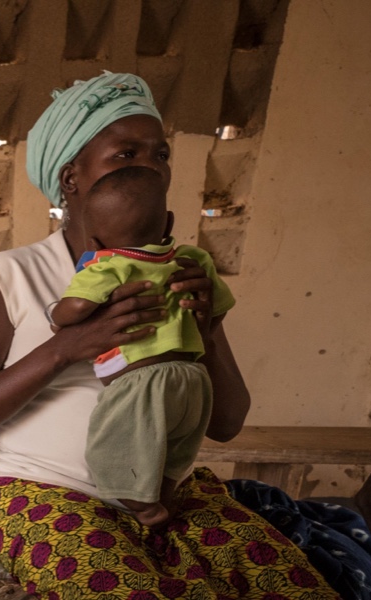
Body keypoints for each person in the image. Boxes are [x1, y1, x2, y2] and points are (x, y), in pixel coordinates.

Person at [0, 71, 335, 598]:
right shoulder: (11, 277)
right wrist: (65, 348)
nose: (151, 166)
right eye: (126, 154)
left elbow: (227, 423)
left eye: (160, 154)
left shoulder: (178, 274)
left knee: (294, 586)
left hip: (171, 496)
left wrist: (207, 328)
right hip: (44, 495)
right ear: (71, 177)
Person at [49, 166, 233, 526]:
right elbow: (218, 310)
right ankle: (164, 499)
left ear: (95, 243)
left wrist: (58, 314)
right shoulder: (194, 260)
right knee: (173, 450)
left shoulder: (109, 266)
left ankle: (144, 507)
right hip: (194, 379)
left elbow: (78, 307)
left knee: (111, 450)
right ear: (167, 224)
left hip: (141, 381)